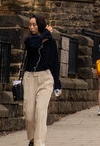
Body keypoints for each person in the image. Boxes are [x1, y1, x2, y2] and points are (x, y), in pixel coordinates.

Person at [22, 15, 61, 146]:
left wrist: (58, 84)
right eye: (30, 25)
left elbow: (55, 63)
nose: (31, 27)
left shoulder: (50, 42)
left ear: (40, 24)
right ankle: (32, 139)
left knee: (40, 111)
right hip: (29, 78)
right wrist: (46, 33)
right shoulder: (29, 40)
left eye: (34, 24)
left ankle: (39, 143)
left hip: (45, 78)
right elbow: (34, 45)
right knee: (28, 114)